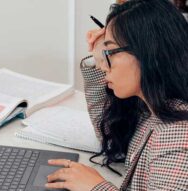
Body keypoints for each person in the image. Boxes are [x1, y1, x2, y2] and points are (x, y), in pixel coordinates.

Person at [45, 0, 188, 190]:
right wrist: (98, 55)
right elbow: (111, 136)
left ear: (147, 52)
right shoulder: (154, 108)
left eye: (110, 52)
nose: (103, 66)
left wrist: (95, 186)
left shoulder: (178, 135)